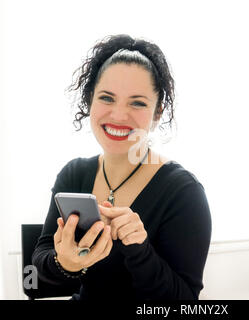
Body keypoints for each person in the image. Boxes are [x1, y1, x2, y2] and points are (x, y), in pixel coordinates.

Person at [32, 34, 212, 300]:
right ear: (90, 100)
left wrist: (140, 249)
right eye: (106, 98)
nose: (118, 115)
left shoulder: (184, 192)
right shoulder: (74, 174)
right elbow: (33, 276)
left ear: (157, 113)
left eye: (137, 103)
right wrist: (66, 263)